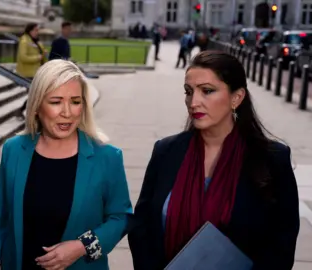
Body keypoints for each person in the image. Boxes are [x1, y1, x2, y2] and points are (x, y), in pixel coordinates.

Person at [128, 51, 300, 269]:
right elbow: (142, 227)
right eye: (189, 92)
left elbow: (282, 244)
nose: (194, 102)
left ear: (236, 97)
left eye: (207, 91)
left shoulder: (272, 159)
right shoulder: (166, 152)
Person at [0, 59, 132, 270]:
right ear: (36, 106)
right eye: (56, 101)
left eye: (75, 101)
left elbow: (120, 217)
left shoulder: (107, 157)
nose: (67, 112)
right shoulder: (14, 150)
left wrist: (82, 246)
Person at [16, 23, 47, 119]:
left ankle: (23, 112)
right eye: (36, 30)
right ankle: (30, 114)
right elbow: (23, 57)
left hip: (36, 73)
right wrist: (38, 57)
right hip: (27, 73)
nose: (37, 32)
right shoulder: (24, 41)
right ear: (30, 30)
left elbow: (41, 54)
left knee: (35, 96)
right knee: (35, 96)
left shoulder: (35, 41)